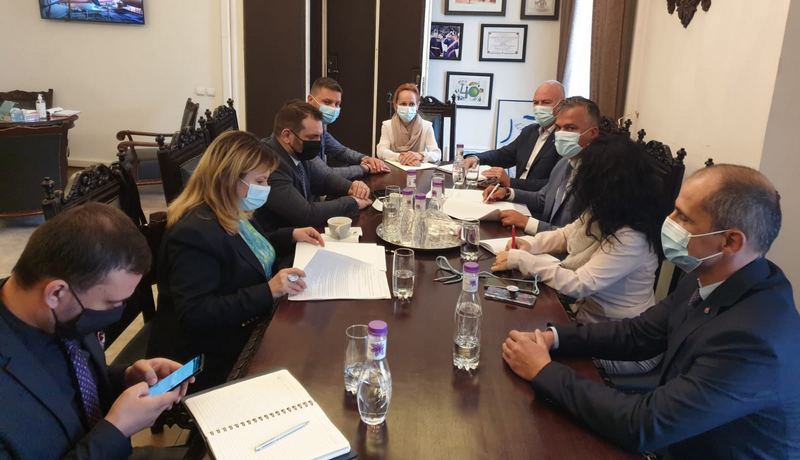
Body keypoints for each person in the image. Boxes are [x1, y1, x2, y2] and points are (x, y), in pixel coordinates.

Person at [501, 165, 800, 458]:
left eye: (683, 217)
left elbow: (643, 426)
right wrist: (553, 338)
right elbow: (639, 333)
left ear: (731, 241)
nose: (668, 221)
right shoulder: (708, 276)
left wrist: (544, 371)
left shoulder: (754, 339)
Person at [0, 202, 192, 459]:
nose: (117, 312)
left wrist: (126, 378)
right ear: (56, 293)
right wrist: (117, 430)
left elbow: (73, 382)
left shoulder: (64, 312)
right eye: (112, 303)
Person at [155, 130, 325, 391]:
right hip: (207, 356)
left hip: (242, 325)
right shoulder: (193, 233)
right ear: (229, 178)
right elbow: (196, 313)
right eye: (260, 181)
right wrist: (268, 290)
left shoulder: (230, 208)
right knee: (309, 360)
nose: (265, 188)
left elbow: (249, 247)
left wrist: (290, 234)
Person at [492, 136, 666, 374]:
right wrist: (530, 245)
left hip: (623, 344)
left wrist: (524, 261)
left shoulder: (632, 236)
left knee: (526, 355)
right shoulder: (608, 210)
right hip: (587, 324)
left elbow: (579, 284)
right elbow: (567, 234)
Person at [484, 96, 600, 235]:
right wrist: (507, 193)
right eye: (558, 128)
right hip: (543, 239)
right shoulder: (564, 163)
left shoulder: (600, 175)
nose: (561, 134)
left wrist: (527, 223)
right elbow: (543, 198)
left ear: (593, 133)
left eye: (570, 128)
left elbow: (578, 236)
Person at [255, 100, 372, 232]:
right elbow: (305, 214)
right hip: (281, 238)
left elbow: (323, 179)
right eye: (312, 137)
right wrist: (352, 202)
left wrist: (351, 187)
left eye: (320, 137)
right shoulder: (270, 164)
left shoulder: (296, 151)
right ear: (286, 135)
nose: (318, 143)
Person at [463, 80, 563, 192]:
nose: (539, 107)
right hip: (512, 193)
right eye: (535, 103)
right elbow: (503, 155)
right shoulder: (529, 131)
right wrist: (476, 158)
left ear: (562, 105)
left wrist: (510, 182)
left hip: (533, 198)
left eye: (546, 102)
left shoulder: (563, 139)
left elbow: (555, 185)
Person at [306, 77, 389, 179]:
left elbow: (341, 151)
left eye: (337, 104)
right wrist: (365, 168)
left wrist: (365, 158)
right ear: (310, 100)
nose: (333, 108)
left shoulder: (319, 127)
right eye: (327, 102)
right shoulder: (303, 130)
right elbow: (324, 174)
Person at [376, 82, 442, 165]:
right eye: (403, 104)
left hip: (419, 170)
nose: (408, 108)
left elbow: (437, 154)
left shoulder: (427, 126)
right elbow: (381, 151)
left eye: (411, 104)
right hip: (395, 170)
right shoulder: (387, 125)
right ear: (395, 105)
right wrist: (400, 157)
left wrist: (420, 155)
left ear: (417, 105)